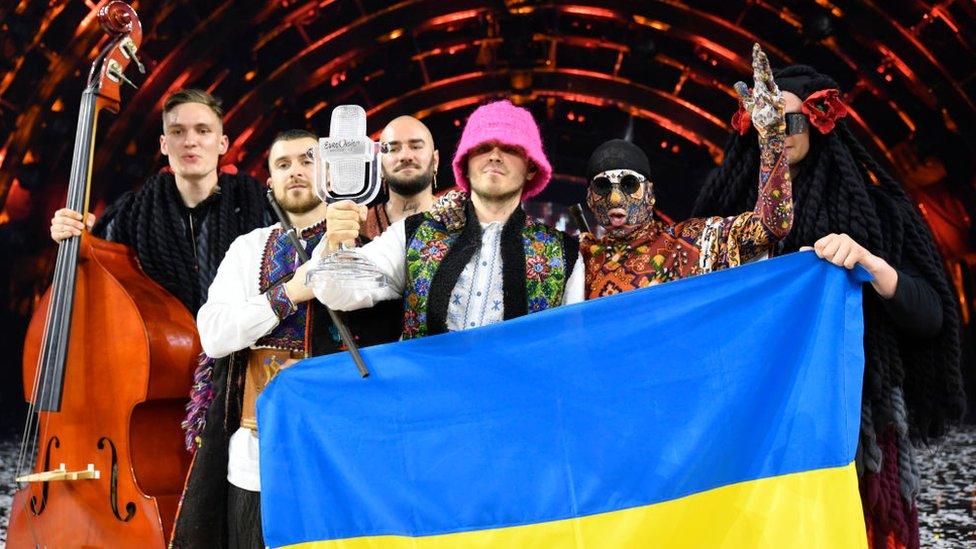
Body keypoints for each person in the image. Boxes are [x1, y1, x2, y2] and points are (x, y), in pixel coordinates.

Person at [694, 64, 964, 549]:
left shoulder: (878, 215)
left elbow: (931, 318)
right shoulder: (720, 224)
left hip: (845, 428)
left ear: (820, 124)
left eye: (789, 122)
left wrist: (869, 264)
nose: (777, 135)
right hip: (746, 428)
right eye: (765, 123)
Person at [169, 130, 401, 548]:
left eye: (307, 159)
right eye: (283, 164)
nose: (295, 170)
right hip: (254, 454)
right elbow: (215, 334)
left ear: (330, 172)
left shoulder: (374, 247)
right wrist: (287, 293)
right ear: (270, 183)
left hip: (342, 454)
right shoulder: (248, 249)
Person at [317, 100, 584, 337]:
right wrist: (334, 245)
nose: (494, 156)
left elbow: (571, 351)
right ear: (465, 164)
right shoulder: (414, 232)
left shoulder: (564, 253)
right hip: (423, 393)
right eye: (483, 147)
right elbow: (339, 293)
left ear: (532, 167)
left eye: (510, 148)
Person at [581, 45, 792, 297]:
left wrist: (772, 139)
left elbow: (771, 225)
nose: (616, 199)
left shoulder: (692, 241)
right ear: (590, 199)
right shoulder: (579, 258)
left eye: (629, 184)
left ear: (650, 194)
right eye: (603, 187)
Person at [48, 88, 269, 312]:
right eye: (177, 132)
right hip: (160, 346)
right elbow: (94, 280)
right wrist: (76, 238)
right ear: (164, 144)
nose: (190, 141)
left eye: (203, 131)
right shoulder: (131, 215)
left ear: (222, 143)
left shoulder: (259, 207)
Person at [364, 116, 440, 237]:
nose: (405, 156)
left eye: (416, 147)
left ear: (435, 160)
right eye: (393, 149)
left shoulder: (463, 220)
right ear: (380, 165)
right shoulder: (358, 228)